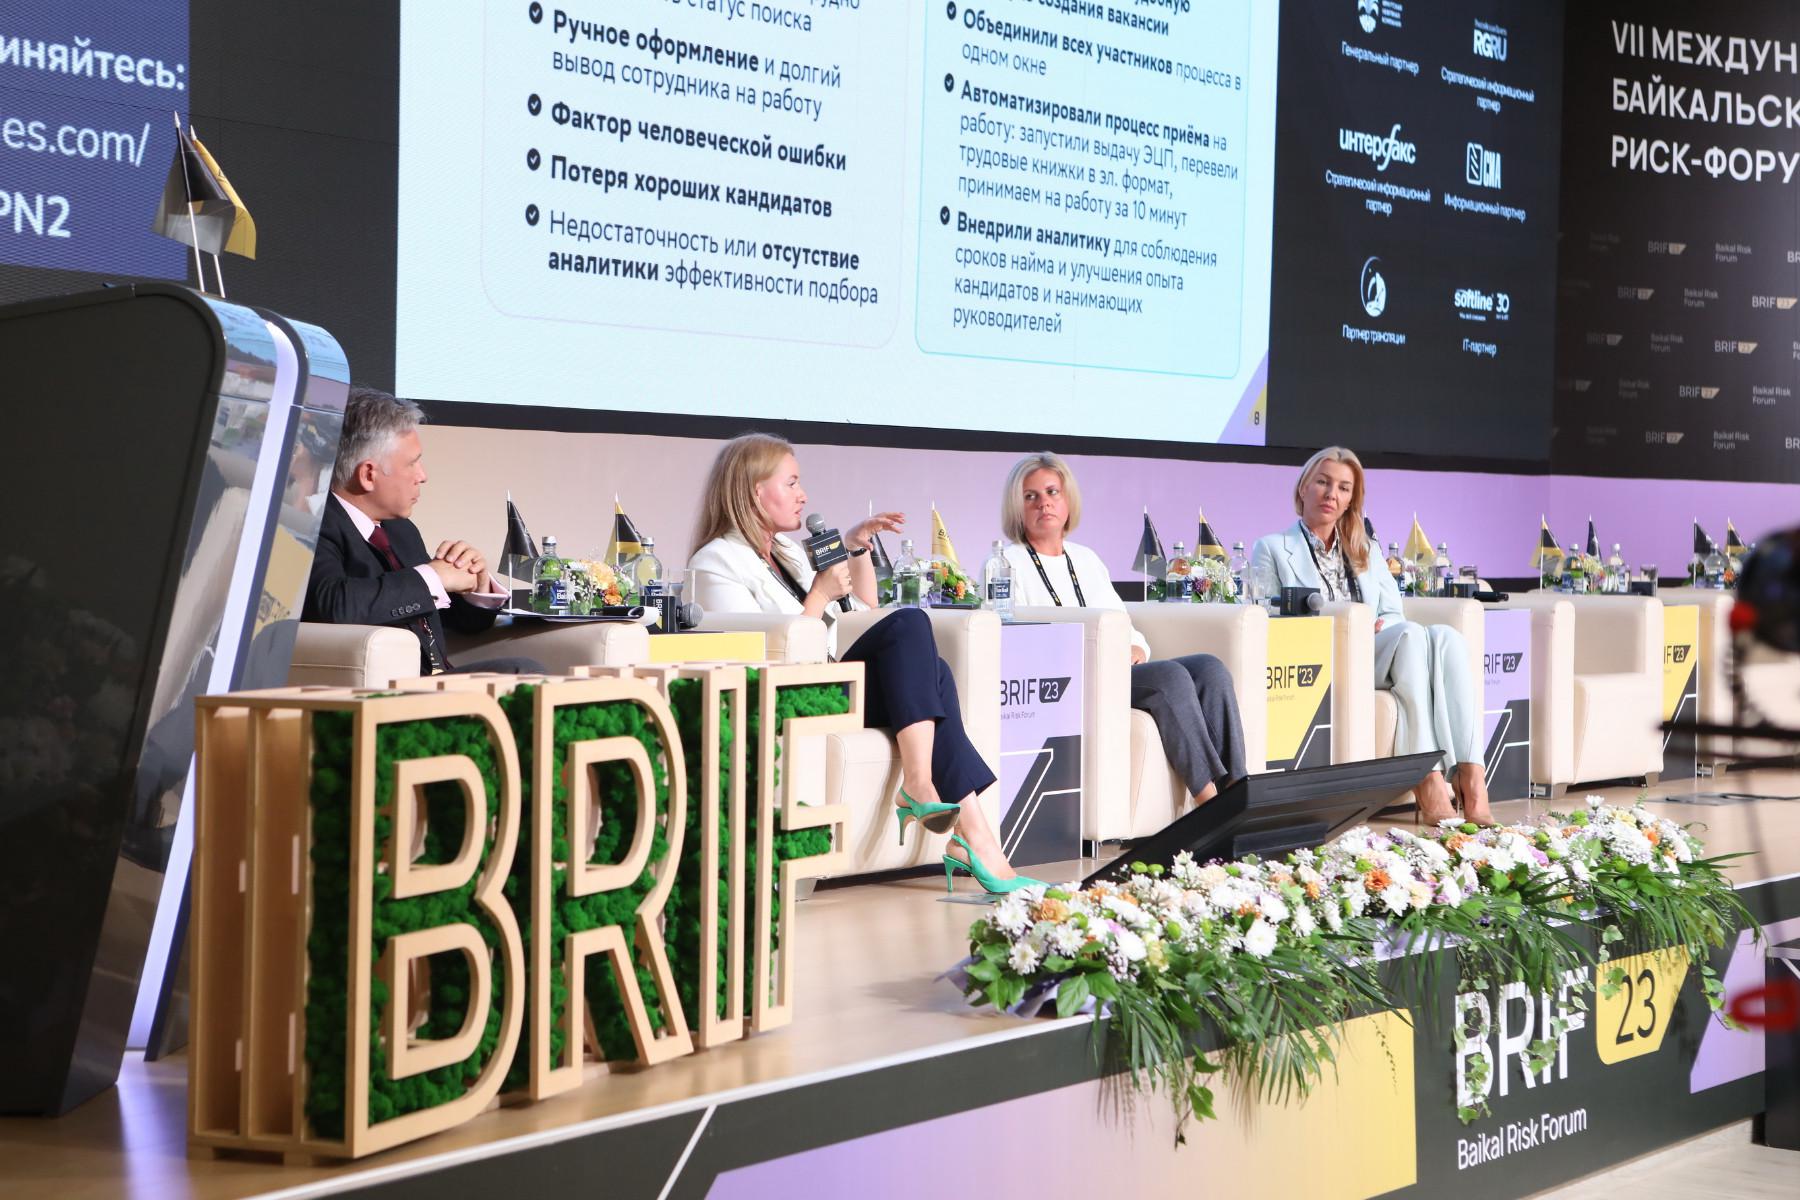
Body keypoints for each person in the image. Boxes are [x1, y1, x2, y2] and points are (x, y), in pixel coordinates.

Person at [688, 433, 1040, 894]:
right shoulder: (715, 562)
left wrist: (855, 550)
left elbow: (861, 614)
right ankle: (928, 794)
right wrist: (818, 595)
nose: (803, 495)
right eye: (791, 483)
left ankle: (975, 837)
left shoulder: (789, 553)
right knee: (914, 631)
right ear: (755, 492)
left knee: (931, 667)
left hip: (832, 680)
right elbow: (758, 655)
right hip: (789, 694)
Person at [1248, 447, 1491, 825]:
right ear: (1302, 488)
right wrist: (1350, 623)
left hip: (1374, 651)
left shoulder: (1366, 550)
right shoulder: (1273, 548)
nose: (1332, 494)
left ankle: (1472, 776)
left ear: (1351, 500)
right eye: (1323, 483)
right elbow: (1268, 616)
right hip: (1323, 655)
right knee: (1410, 638)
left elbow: (1393, 613)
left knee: (1447, 638)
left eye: (1343, 488)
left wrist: (1376, 627)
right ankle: (1427, 778)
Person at [999, 453, 1247, 807]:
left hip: (1118, 669)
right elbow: (1019, 640)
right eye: (1030, 496)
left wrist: (1137, 648)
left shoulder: (1086, 559)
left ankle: (1239, 789)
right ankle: (1211, 805)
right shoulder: (1007, 563)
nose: (1044, 503)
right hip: (1072, 679)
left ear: (1068, 500)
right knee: (1170, 677)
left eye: (1052, 492)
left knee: (1210, 668)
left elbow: (1123, 623)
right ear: (1016, 507)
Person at [303, 386, 543, 677]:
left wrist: (475, 587)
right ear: (368, 474)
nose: (423, 476)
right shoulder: (311, 524)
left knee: (527, 674)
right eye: (412, 463)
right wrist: (434, 577)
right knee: (522, 673)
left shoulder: (400, 530)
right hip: (385, 689)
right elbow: (333, 606)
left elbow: (457, 622)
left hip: (432, 682)